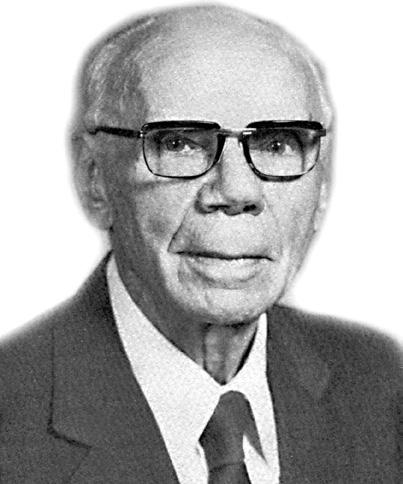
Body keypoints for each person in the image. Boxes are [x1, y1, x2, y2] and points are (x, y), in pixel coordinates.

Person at [0, 5, 400, 483]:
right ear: (96, 180)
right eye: (180, 143)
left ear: (322, 186)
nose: (236, 191)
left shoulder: (381, 385)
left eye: (277, 145)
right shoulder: (12, 420)